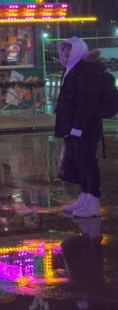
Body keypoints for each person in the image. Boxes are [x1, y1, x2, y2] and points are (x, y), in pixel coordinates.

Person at [54, 36, 105, 217]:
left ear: (77, 50)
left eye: (69, 49)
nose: (66, 53)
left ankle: (93, 201)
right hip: (73, 127)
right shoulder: (71, 69)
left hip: (85, 128)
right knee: (79, 162)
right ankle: (85, 197)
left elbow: (87, 102)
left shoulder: (86, 69)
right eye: (64, 50)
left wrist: (78, 127)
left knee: (87, 161)